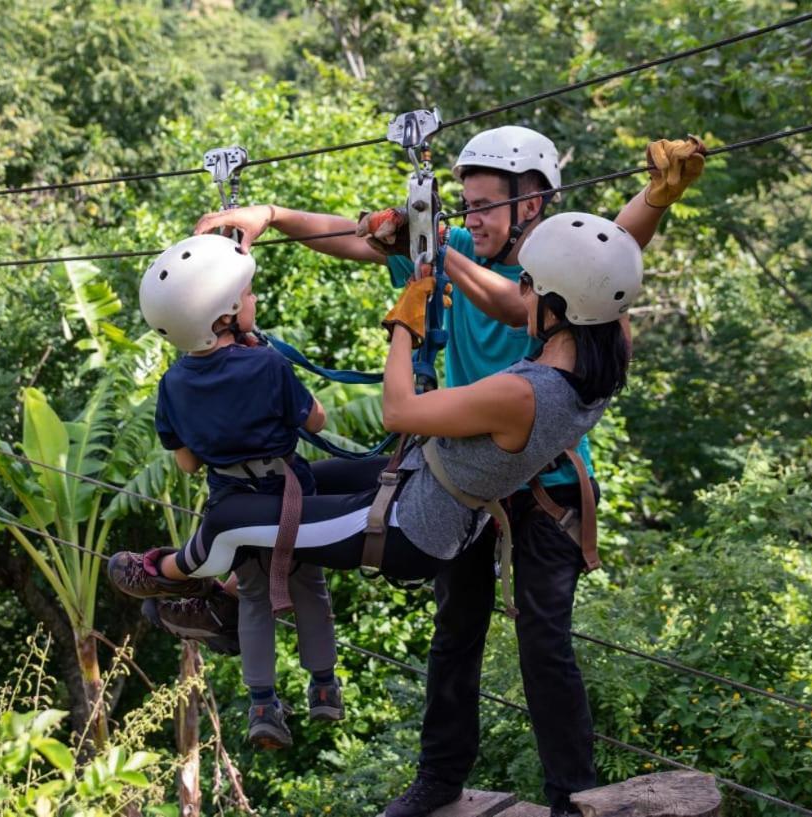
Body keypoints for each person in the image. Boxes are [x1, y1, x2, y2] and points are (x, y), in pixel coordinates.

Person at [181, 128, 706, 815]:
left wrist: (657, 200)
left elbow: (606, 249)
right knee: (453, 629)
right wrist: (274, 216)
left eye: (485, 205)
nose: (471, 219)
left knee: (543, 643)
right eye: (463, 206)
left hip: (543, 486)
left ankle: (571, 794)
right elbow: (350, 237)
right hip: (459, 484)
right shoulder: (454, 250)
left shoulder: (555, 277)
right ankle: (439, 779)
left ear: (534, 205)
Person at [107, 215, 643, 779]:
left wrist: (404, 326)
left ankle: (173, 571)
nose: (521, 295)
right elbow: (607, 270)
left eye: (530, 286)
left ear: (560, 307)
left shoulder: (523, 393)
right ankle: (230, 591)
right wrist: (657, 198)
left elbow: (399, 411)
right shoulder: (603, 357)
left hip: (412, 525)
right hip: (422, 476)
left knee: (235, 516)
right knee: (305, 478)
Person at [127, 232, 345, 750]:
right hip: (290, 498)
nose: (253, 301)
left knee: (252, 596)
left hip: (233, 507)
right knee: (307, 586)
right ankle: (323, 689)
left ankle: (264, 703)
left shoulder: (172, 384)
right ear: (223, 313)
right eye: (246, 296)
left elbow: (186, 462)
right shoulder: (268, 363)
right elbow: (316, 418)